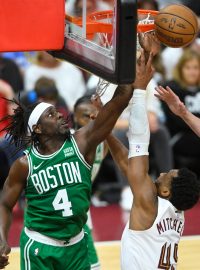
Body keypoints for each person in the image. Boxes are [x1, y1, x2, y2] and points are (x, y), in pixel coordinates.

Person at [0, 48, 154, 270]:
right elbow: (5, 203)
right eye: (51, 115)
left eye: (57, 111)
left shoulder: (82, 142)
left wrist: (130, 65)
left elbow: (119, 101)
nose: (61, 114)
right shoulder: (25, 164)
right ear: (38, 129)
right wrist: (2, 240)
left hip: (77, 244)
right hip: (40, 247)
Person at [104, 52, 200, 269]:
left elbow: (137, 146)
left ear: (166, 192)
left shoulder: (149, 202)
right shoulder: (177, 213)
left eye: (168, 176)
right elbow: (127, 163)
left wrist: (139, 91)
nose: (162, 173)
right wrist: (107, 134)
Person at [73, 95, 109, 269]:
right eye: (85, 116)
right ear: (75, 117)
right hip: (69, 202)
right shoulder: (68, 140)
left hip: (83, 201)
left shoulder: (105, 143)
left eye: (94, 115)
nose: (90, 119)